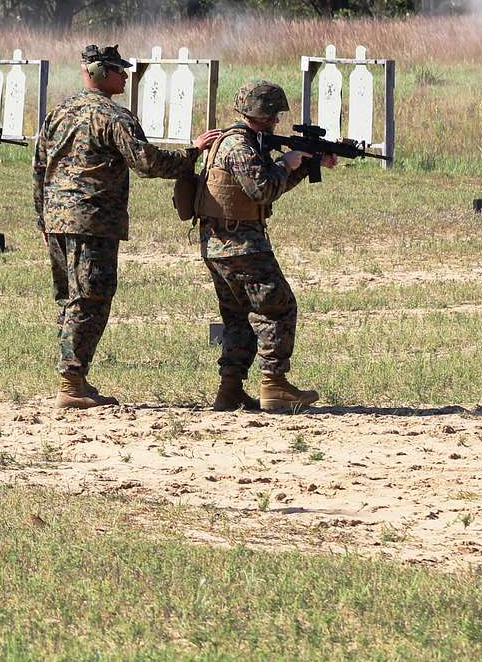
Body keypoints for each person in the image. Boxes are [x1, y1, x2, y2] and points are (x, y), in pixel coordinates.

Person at [32, 44, 215, 409]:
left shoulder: (58, 112)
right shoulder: (114, 117)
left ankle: (74, 376)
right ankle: (71, 382)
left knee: (70, 298)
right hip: (92, 220)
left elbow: (39, 168)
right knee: (91, 298)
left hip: (57, 220)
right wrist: (192, 152)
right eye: (119, 70)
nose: (126, 76)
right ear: (100, 73)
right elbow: (146, 163)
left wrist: (42, 217)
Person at [194, 79, 333, 413]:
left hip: (222, 245)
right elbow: (263, 190)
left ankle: (229, 389)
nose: (277, 121)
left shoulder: (237, 141)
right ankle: (275, 385)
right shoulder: (240, 146)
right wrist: (287, 163)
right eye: (274, 114)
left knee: (237, 317)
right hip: (242, 246)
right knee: (278, 308)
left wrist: (304, 165)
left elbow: (270, 186)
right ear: (264, 112)